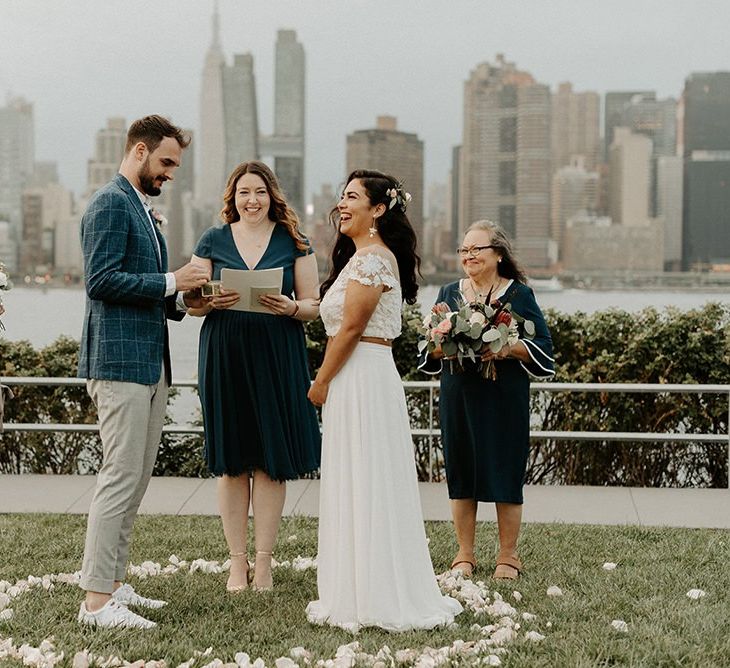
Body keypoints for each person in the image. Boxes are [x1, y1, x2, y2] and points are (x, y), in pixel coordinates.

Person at [305, 169, 462, 632]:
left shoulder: (373, 260)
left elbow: (352, 328)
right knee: (356, 475)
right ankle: (355, 587)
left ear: (378, 209)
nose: (342, 204)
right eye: (341, 195)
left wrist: (320, 380)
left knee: (368, 476)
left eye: (353, 197)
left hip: (364, 376)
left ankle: (377, 593)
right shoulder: (360, 259)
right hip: (357, 377)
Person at [77, 115, 211, 628]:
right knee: (119, 477)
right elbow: (102, 281)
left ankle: (113, 583)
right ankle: (95, 603)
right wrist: (172, 280)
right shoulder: (111, 202)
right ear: (138, 151)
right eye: (167, 162)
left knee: (134, 480)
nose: (172, 172)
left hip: (149, 364)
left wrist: (187, 301)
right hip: (119, 364)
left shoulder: (141, 206)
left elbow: (148, 287)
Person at [190, 161, 321, 593]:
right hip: (225, 352)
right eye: (244, 192)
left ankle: (263, 563)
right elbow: (191, 302)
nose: (252, 200)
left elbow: (314, 305)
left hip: (277, 353)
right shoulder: (212, 239)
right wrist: (211, 299)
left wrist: (290, 308)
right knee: (232, 461)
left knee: (269, 462)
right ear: (233, 198)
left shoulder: (295, 242)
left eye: (260, 192)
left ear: (272, 196)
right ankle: (236, 563)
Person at [420, 220, 554, 580]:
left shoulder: (519, 295)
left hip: (503, 398)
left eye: (476, 249)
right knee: (461, 469)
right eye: (464, 250)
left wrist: (509, 348)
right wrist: (442, 345)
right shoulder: (448, 292)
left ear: (498, 254)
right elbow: (428, 348)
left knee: (504, 469)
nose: (469, 256)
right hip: (458, 395)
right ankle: (465, 553)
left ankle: (508, 556)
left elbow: (544, 346)